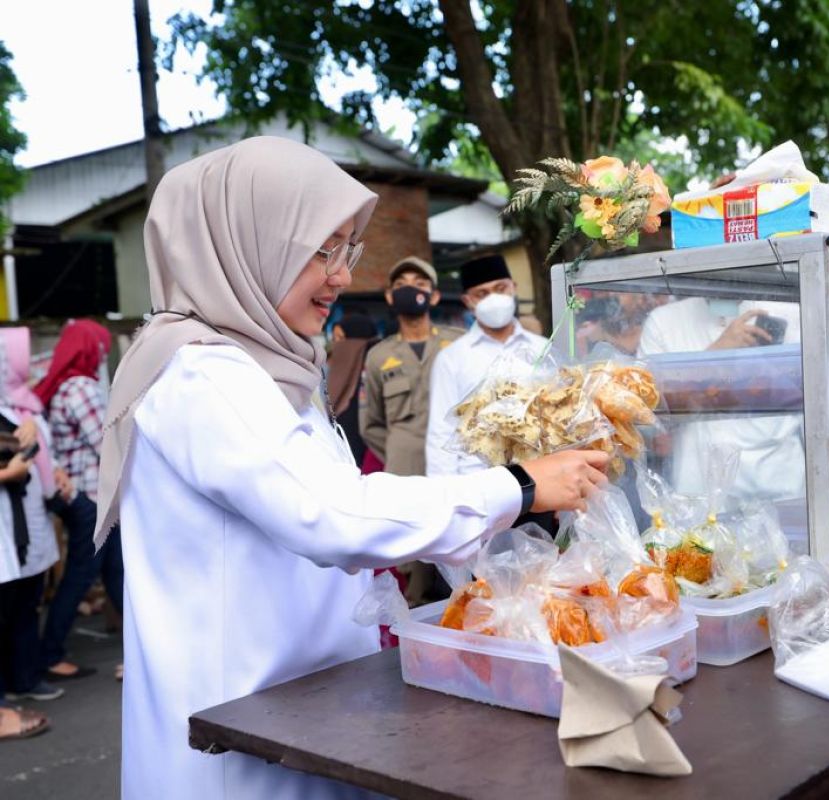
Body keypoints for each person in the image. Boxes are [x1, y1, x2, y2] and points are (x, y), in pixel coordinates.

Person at [96, 136, 607, 799]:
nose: (341, 274)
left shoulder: (264, 361)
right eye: (322, 249)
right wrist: (519, 486)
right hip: (241, 740)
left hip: (301, 714)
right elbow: (332, 511)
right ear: (245, 244)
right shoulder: (202, 373)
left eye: (348, 249)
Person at [638, 297, 805, 500]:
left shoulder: (791, 313)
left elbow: (812, 401)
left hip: (779, 486)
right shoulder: (663, 322)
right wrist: (716, 354)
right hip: (698, 492)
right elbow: (647, 415)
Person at [35, 319, 121, 682]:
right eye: (101, 348)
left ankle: (143, 645)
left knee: (114, 569)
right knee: (83, 574)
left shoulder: (60, 387)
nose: (103, 355)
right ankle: (50, 653)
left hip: (77, 496)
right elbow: (106, 444)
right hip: (90, 497)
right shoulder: (82, 388)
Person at [425, 254, 548, 476]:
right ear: (467, 301)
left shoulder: (543, 348)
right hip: (478, 482)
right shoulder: (452, 358)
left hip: (540, 476)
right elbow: (441, 432)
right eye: (482, 293)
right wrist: (448, 495)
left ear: (514, 288)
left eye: (500, 288)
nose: (493, 298)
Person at [0, 327, 63, 717]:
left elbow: (33, 450)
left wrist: (31, 440)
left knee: (26, 602)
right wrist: (13, 470)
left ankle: (23, 678)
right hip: (9, 520)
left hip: (24, 520)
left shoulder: (15, 407)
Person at [361, 257, 462, 476]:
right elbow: (371, 424)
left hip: (456, 466)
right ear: (390, 296)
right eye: (400, 285)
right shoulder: (378, 356)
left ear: (434, 296)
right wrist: (398, 451)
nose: (409, 289)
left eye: (420, 284)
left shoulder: (459, 344)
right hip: (403, 471)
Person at [326, 313, 377, 466]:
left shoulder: (374, 376)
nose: (336, 345)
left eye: (340, 339)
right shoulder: (330, 376)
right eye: (334, 339)